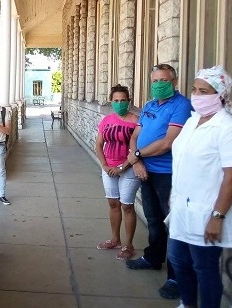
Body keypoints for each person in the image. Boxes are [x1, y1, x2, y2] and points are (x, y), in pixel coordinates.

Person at [167, 66, 232, 308]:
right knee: (178, 260)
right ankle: (188, 303)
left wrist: (217, 216)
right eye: (194, 89)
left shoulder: (228, 129)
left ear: (220, 95)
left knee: (205, 267)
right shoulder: (192, 122)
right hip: (182, 207)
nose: (197, 95)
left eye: (204, 91)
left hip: (207, 212)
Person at [126, 63, 192, 299]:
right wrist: (137, 162)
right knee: (153, 220)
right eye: (155, 81)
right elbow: (135, 136)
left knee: (174, 225)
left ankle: (176, 277)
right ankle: (153, 258)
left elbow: (167, 143)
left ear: (174, 82)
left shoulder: (182, 105)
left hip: (169, 174)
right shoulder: (149, 105)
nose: (158, 84)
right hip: (146, 171)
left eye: (163, 80)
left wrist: (137, 156)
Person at [95, 84, 140, 260]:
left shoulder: (137, 121)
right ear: (111, 102)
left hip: (128, 168)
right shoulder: (106, 121)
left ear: (128, 101)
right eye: (116, 101)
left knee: (127, 206)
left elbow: (137, 149)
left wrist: (122, 167)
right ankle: (115, 239)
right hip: (109, 168)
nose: (119, 103)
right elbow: (98, 145)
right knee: (113, 204)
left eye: (123, 100)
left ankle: (128, 245)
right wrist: (105, 166)